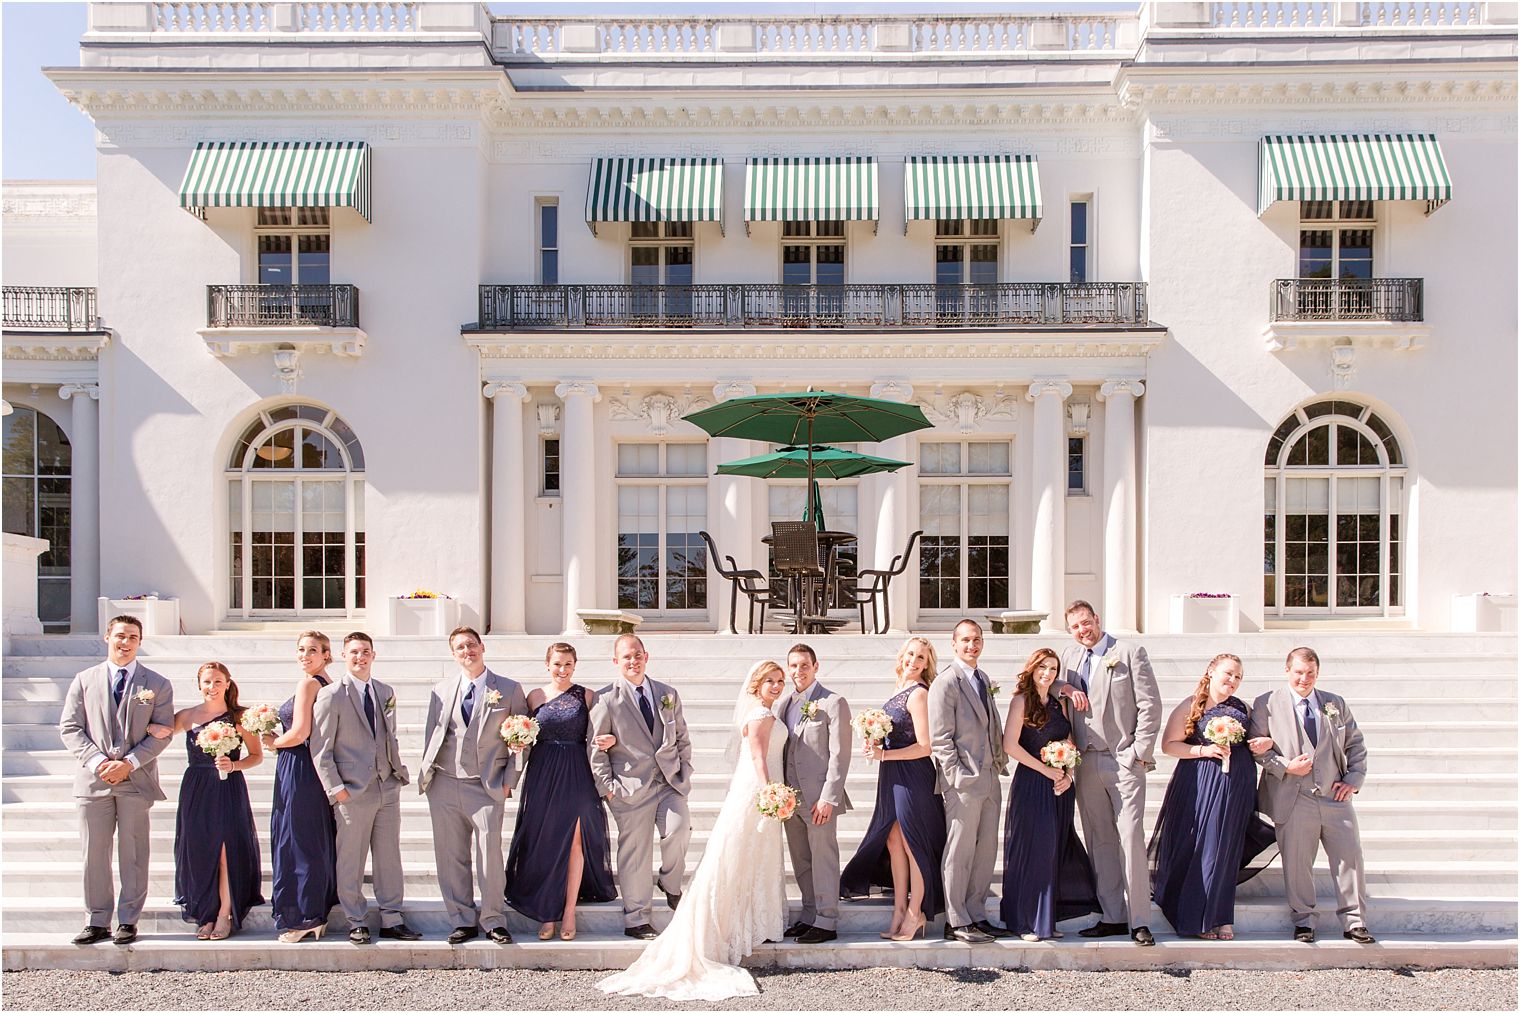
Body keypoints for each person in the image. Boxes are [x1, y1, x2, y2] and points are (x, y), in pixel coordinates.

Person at [598, 660, 788, 1001]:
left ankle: (752, 922)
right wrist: (770, 793)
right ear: (755, 685)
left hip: (755, 789)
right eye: (769, 680)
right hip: (758, 790)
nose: (776, 686)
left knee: (749, 853)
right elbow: (759, 759)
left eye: (779, 680)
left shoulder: (766, 711)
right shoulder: (760, 715)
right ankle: (741, 925)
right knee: (742, 852)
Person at [58, 615, 175, 946]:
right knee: (94, 852)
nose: (126, 642)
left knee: (134, 852)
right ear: (107, 636)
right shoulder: (84, 680)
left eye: (133, 637)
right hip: (93, 781)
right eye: (121, 635)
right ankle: (96, 920)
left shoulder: (157, 684)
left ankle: (128, 920)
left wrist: (130, 762)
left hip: (135, 780)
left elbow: (163, 732)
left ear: (140, 642)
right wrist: (98, 762)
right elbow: (70, 727)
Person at [1250, 646, 1374, 945]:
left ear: (1317, 673)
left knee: (1349, 858)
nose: (1304, 679)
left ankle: (1354, 921)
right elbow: (1255, 749)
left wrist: (1353, 780)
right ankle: (1304, 920)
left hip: (1335, 796)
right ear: (1287, 670)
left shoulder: (1334, 703)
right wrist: (1284, 766)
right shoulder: (1267, 703)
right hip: (1293, 797)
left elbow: (1355, 744)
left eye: (1310, 673)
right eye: (1298, 673)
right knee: (1297, 862)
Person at [1151, 653, 1277, 940]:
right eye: (1228, 674)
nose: (1232, 681)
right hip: (1203, 784)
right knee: (1205, 848)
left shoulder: (1243, 707)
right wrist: (1203, 750)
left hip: (1237, 785)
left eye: (1238, 677)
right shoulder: (1191, 705)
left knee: (1228, 850)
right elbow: (1169, 745)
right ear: (1211, 671)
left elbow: (1256, 741)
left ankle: (1222, 917)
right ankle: (1198, 917)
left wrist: (1267, 742)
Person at [1059, 599, 1162, 946]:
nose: (1082, 631)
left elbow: (1150, 705)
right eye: (1075, 627)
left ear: (1097, 620)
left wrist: (1137, 752)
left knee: (1130, 837)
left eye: (1086, 623)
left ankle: (1139, 921)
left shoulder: (1129, 652)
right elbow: (1050, 683)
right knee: (1099, 839)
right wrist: (1066, 688)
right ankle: (1113, 916)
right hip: (1086, 763)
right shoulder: (1070, 658)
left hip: (1123, 761)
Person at [419, 626, 530, 946]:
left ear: (482, 647)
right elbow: (433, 736)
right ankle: (462, 920)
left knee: (489, 855)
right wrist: (428, 776)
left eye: (471, 645)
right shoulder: (441, 690)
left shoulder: (508, 689)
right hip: (444, 781)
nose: (466, 651)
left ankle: (494, 919)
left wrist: (510, 781)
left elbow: (522, 740)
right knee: (450, 855)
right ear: (453, 655)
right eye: (459, 648)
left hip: (486, 785)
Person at [311, 631, 418, 944]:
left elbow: (389, 735)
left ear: (374, 655)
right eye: (354, 652)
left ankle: (392, 918)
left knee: (389, 857)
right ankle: (355, 920)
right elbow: (321, 748)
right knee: (351, 858)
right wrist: (337, 791)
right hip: (352, 791)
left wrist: (398, 773)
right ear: (344, 655)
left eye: (366, 652)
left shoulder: (385, 691)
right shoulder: (331, 695)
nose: (360, 657)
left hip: (387, 786)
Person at [505, 641, 617, 941]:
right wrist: (516, 742)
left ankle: (568, 910)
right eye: (557, 664)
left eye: (568, 664)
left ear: (575, 665)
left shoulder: (588, 695)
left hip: (578, 771)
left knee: (575, 843)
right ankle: (548, 913)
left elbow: (601, 730)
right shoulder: (534, 696)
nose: (562, 670)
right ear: (547, 664)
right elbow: (521, 734)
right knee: (547, 842)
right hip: (543, 773)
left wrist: (610, 741)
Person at [840, 635, 947, 941]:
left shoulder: (919, 694)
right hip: (891, 773)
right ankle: (898, 909)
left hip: (913, 774)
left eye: (921, 658)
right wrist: (874, 739)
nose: (914, 661)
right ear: (901, 656)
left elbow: (925, 747)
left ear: (927, 665)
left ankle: (917, 912)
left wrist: (884, 753)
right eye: (910, 655)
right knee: (893, 840)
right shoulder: (898, 689)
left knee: (913, 843)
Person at [588, 633, 693, 940]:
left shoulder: (667, 693)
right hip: (629, 789)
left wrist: (684, 772)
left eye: (637, 655)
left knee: (679, 827)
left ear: (646, 656)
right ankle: (636, 918)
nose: (632, 661)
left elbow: (683, 738)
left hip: (668, 783)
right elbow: (595, 750)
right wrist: (608, 789)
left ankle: (670, 883)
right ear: (616, 662)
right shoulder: (606, 699)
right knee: (635, 853)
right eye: (626, 657)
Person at [998, 647, 1099, 942]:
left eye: (1053, 669)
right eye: (1042, 667)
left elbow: (1069, 742)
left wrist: (1069, 775)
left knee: (1053, 852)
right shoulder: (1021, 702)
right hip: (1032, 783)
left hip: (1060, 786)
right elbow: (1010, 746)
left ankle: (1045, 921)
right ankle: (1026, 922)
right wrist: (1046, 771)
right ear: (1032, 669)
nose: (1047, 673)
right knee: (1034, 852)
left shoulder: (1059, 703)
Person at [162, 661, 265, 940]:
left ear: (228, 684)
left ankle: (224, 914)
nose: (212, 687)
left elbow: (256, 756)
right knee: (199, 850)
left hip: (227, 787)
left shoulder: (240, 717)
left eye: (218, 681)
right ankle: (205, 913)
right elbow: (158, 732)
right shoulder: (186, 716)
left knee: (223, 851)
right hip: (196, 787)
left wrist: (233, 766)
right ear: (198, 685)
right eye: (207, 682)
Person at [927, 619, 1010, 942]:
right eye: (965, 640)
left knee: (986, 849)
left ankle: (976, 912)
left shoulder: (982, 678)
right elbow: (941, 739)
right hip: (963, 781)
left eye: (976, 640)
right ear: (954, 644)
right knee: (959, 851)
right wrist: (958, 777)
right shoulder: (946, 682)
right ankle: (956, 919)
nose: (971, 645)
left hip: (990, 778)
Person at [261, 631, 339, 942]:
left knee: (297, 839)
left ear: (326, 654)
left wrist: (273, 743)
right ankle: (314, 912)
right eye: (301, 650)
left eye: (312, 650)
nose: (305, 656)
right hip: (310, 768)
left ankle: (305, 917)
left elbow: (299, 732)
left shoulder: (308, 683)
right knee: (310, 838)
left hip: (298, 764)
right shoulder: (328, 682)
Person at [775, 643, 852, 945]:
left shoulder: (833, 702)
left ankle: (827, 919)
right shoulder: (784, 704)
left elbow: (840, 754)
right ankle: (809, 914)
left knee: (824, 859)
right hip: (791, 799)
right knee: (801, 860)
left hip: (819, 797)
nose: (798, 671)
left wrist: (829, 797)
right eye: (793, 666)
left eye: (804, 665)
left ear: (816, 666)